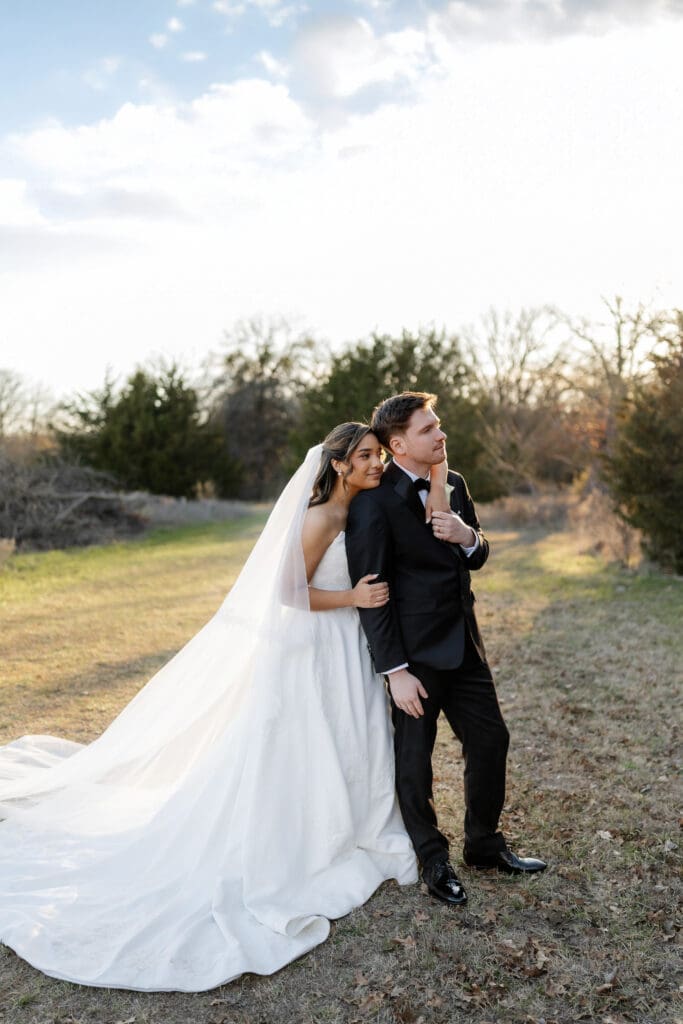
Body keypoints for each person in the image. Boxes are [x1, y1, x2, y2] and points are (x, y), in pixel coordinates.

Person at [0, 424, 419, 993]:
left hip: (347, 645)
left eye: (380, 453)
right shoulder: (320, 516)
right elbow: (287, 593)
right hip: (316, 645)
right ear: (339, 465)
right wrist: (352, 597)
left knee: (348, 738)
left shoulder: (362, 507)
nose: (377, 462)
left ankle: (351, 825)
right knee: (304, 745)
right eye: (366, 456)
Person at [345, 392, 546, 907]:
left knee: (491, 740)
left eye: (439, 425)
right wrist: (394, 670)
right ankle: (433, 858)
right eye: (429, 428)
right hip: (413, 659)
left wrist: (466, 537)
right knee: (414, 759)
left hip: (465, 644)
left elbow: (477, 555)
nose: (441, 435)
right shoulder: (373, 502)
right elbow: (372, 593)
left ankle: (483, 844)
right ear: (399, 443)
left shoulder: (453, 485)